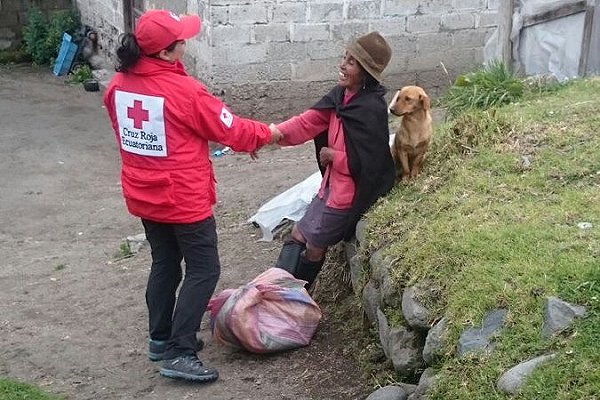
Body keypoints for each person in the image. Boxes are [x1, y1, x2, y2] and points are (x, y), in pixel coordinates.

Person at [102, 9, 280, 383]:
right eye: (182, 39)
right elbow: (230, 129)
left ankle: (160, 337)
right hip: (183, 196)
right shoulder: (185, 92)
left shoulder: (118, 85)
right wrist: (269, 133)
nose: (186, 42)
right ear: (167, 53)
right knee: (204, 268)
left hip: (144, 193)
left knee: (165, 262)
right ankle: (181, 351)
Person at [271, 32, 396, 289]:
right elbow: (307, 122)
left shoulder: (370, 109)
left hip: (344, 198)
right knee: (296, 235)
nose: (342, 65)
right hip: (328, 189)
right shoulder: (339, 98)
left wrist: (333, 156)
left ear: (365, 73)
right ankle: (275, 293)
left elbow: (369, 164)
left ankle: (296, 304)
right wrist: (270, 134)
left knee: (315, 248)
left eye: (351, 62)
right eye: (344, 57)